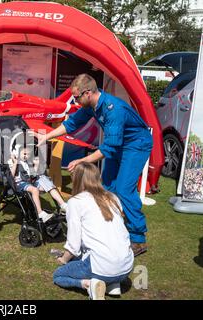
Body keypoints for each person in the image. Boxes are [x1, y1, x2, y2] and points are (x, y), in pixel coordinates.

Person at [38, 74, 152, 256]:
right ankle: (112, 228)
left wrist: (81, 161)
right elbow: (72, 123)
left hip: (136, 145)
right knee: (106, 187)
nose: (75, 101)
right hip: (118, 144)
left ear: (88, 93)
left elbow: (109, 147)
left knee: (123, 189)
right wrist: (47, 136)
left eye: (76, 97)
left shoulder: (113, 109)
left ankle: (138, 239)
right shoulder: (92, 105)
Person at [53, 162, 134, 300]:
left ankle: (89, 284)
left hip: (102, 266)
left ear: (77, 179)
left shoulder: (76, 202)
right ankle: (112, 285)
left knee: (59, 275)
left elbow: (73, 244)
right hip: (127, 267)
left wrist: (63, 259)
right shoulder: (112, 197)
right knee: (97, 255)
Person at [8, 144, 67, 222]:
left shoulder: (27, 163)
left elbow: (33, 175)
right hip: (19, 183)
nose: (26, 156)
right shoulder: (12, 161)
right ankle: (40, 213)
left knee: (48, 184)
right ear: (17, 153)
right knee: (35, 190)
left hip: (29, 182)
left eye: (28, 154)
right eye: (24, 154)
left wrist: (36, 165)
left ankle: (63, 204)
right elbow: (10, 175)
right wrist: (15, 162)